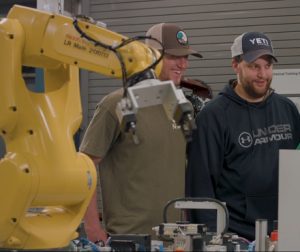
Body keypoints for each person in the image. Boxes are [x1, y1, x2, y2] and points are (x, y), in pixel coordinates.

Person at [79, 22, 202, 243]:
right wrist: (92, 228)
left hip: (174, 239)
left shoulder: (182, 106)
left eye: (186, 57)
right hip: (128, 239)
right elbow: (84, 168)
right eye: (174, 56)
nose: (183, 64)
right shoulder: (118, 104)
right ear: (151, 56)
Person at [186, 31, 300, 241]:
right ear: (235, 65)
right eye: (254, 66)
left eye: (267, 66)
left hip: (284, 232)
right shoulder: (214, 116)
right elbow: (200, 188)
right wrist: (213, 240)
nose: (263, 74)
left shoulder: (287, 109)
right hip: (236, 236)